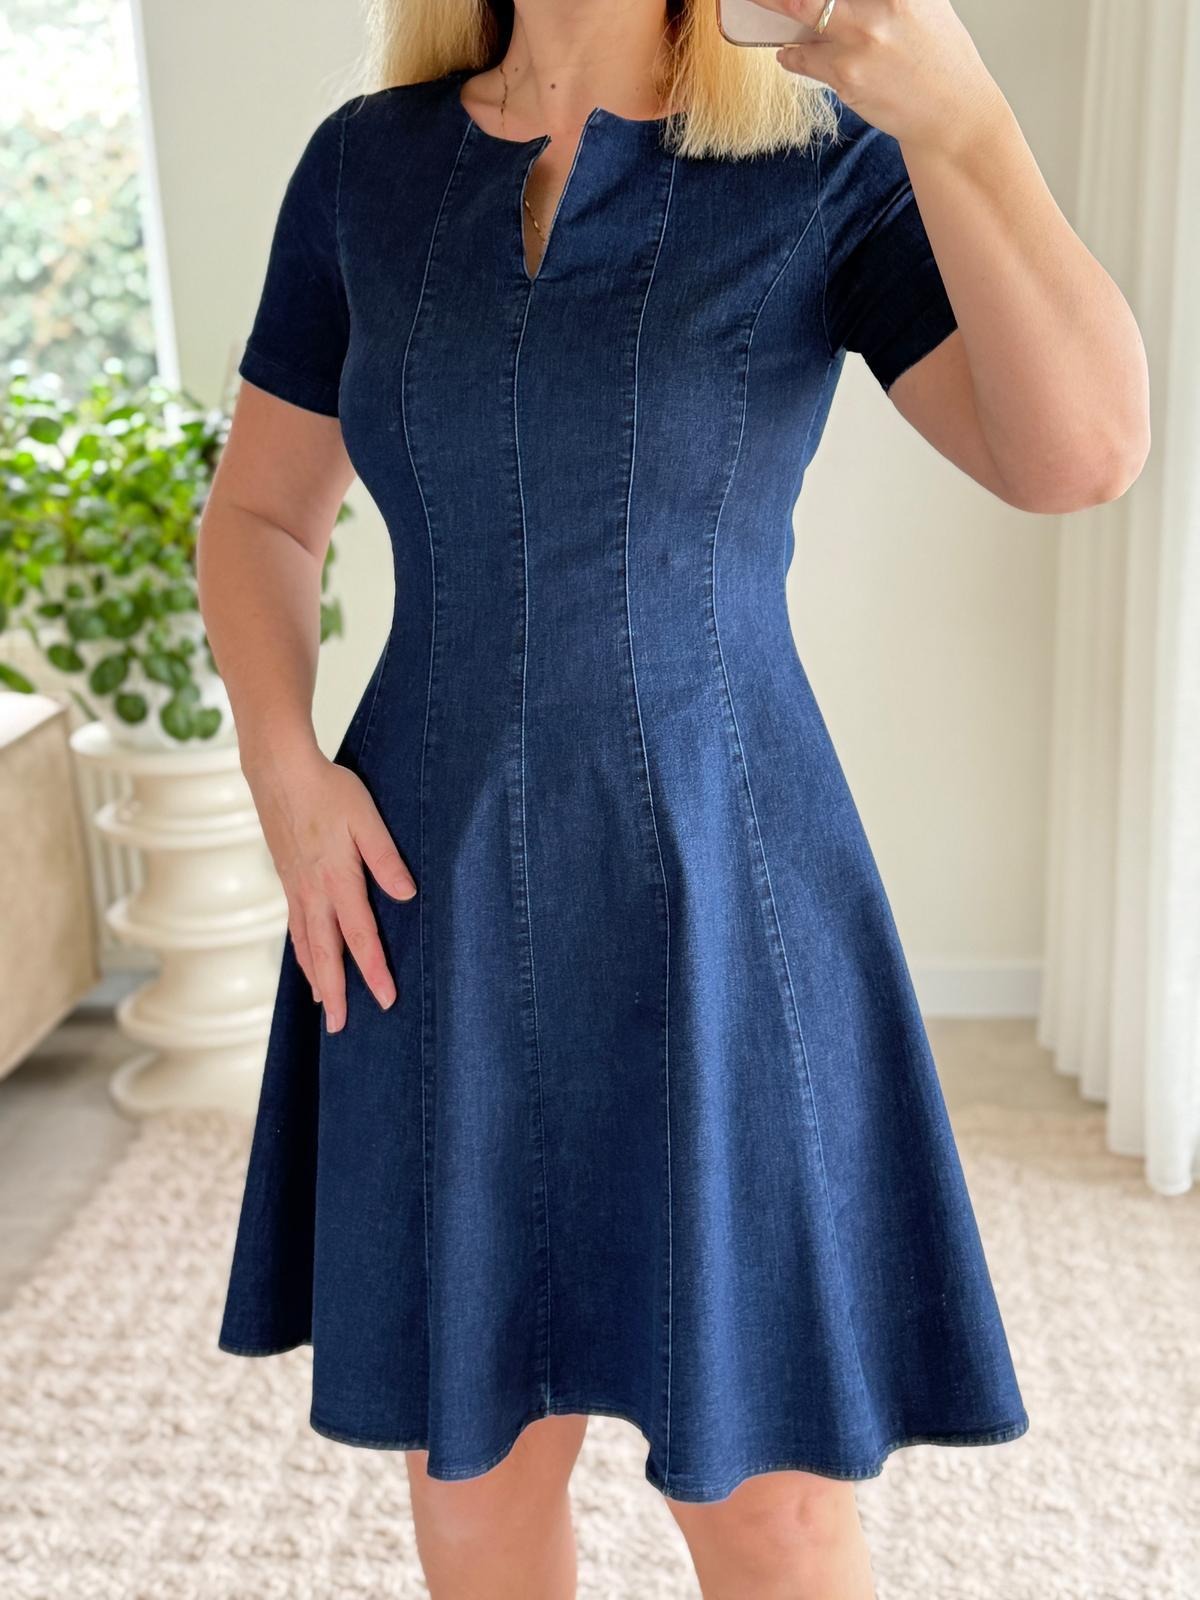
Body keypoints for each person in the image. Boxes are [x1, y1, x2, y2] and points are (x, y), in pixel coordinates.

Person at [197, 0, 1149, 1594]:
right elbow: (261, 515)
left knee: (772, 1505)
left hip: (726, 884)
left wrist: (967, 121)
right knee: (472, 1478)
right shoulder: (366, 167)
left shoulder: (824, 162)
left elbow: (1084, 455)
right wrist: (283, 771)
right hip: (430, 894)